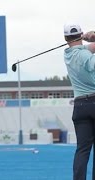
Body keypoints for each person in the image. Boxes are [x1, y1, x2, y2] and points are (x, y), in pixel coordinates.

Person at [64, 24, 95, 180]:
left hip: (79, 106)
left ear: (65, 38)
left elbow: (90, 48)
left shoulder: (68, 54)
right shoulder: (85, 56)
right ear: (81, 35)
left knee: (82, 150)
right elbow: (90, 61)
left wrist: (92, 38)